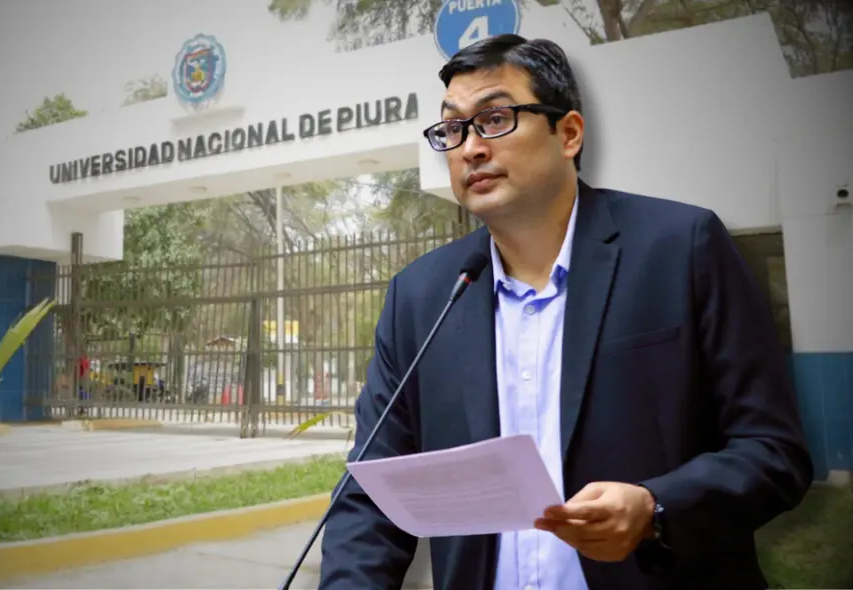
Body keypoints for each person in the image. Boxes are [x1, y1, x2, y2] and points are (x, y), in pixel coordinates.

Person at [317, 34, 812, 590]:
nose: (470, 148)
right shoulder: (421, 295)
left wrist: (657, 508)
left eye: (495, 118)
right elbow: (371, 495)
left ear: (569, 133)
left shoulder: (681, 247)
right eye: (452, 129)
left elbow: (773, 451)